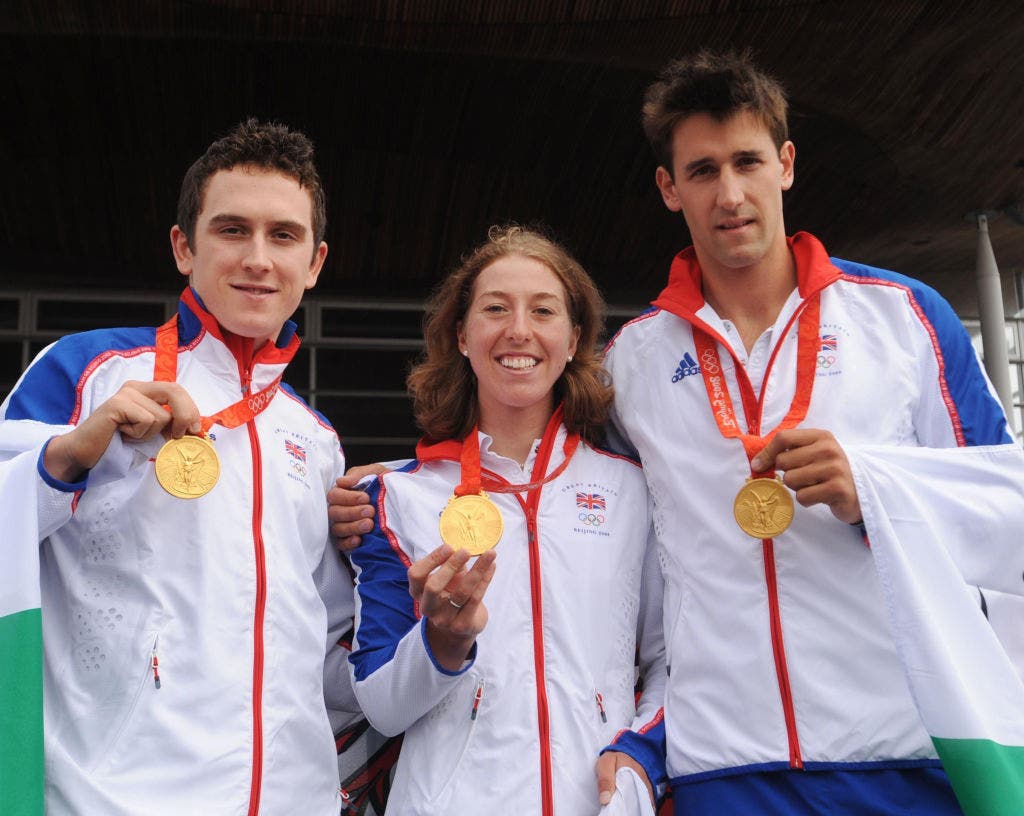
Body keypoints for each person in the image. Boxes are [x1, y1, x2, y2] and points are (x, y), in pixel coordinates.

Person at [330, 52, 1024, 814]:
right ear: (669, 187)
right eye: (702, 171)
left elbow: (1009, 514)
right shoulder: (636, 362)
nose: (730, 194)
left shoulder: (905, 319)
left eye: (747, 161)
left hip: (899, 751)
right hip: (722, 769)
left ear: (786, 164)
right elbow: (545, 475)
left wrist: (876, 491)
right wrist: (409, 477)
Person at [0, 119, 359, 815]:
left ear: (314, 263)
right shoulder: (88, 370)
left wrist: (390, 562)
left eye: (283, 236)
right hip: (114, 798)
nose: (258, 258)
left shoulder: (316, 439)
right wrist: (68, 458)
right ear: (183, 247)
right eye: (232, 230)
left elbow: (324, 643)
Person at [344, 225, 666, 815]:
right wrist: (442, 641)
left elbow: (673, 662)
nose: (519, 329)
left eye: (543, 310)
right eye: (495, 309)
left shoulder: (634, 490)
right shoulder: (394, 499)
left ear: (573, 338)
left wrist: (641, 759)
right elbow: (382, 707)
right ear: (462, 335)